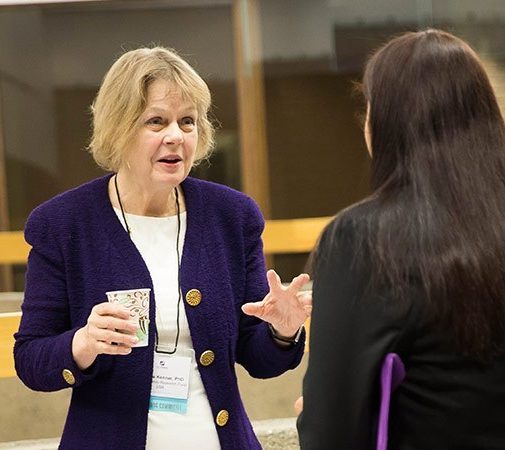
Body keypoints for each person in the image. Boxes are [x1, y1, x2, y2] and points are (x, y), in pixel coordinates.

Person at [14, 46, 311, 450]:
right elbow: (31, 360)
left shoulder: (232, 217)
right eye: (156, 121)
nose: (176, 135)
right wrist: (81, 343)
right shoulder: (64, 225)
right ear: (119, 128)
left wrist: (282, 330)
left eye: (187, 122)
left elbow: (256, 356)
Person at [297, 29, 505, 449]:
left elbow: (332, 430)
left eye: (369, 109)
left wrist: (311, 416)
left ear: (387, 124)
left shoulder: (363, 239)